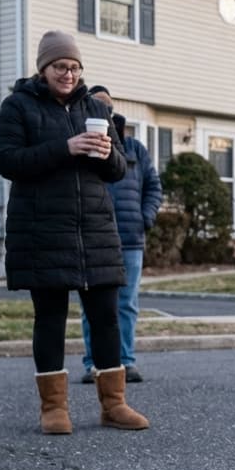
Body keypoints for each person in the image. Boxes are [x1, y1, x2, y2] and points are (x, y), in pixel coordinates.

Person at [0, 31, 149, 434]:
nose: (68, 74)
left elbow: (118, 168)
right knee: (50, 318)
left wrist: (105, 153)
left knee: (107, 318)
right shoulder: (18, 106)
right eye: (61, 66)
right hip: (43, 228)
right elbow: (7, 160)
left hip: (95, 228)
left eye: (75, 67)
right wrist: (66, 147)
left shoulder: (94, 106)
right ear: (43, 68)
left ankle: (114, 404)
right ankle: (53, 409)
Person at [77, 85, 162, 385]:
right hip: (92, 237)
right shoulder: (84, 144)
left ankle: (126, 361)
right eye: (97, 105)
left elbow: (153, 186)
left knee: (126, 303)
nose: (105, 110)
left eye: (108, 105)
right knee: (92, 307)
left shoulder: (134, 148)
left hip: (130, 237)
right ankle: (93, 364)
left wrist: (145, 217)